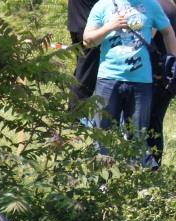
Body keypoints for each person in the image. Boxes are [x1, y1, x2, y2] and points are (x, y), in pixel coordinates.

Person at [83, 0, 176, 164]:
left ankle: (136, 182)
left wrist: (172, 61)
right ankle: (102, 184)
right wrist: (109, 27)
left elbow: (167, 31)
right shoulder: (103, 5)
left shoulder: (151, 5)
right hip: (108, 79)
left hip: (141, 82)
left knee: (138, 135)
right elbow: (87, 41)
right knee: (102, 133)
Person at [146, 0, 176, 165]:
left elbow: (146, 38)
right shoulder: (170, 5)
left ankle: (152, 164)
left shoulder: (154, 7)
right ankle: (154, 163)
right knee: (155, 121)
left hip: (157, 75)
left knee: (149, 122)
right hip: (168, 75)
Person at [69, 0, 102, 106]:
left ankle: (74, 111)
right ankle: (76, 115)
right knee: (86, 74)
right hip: (89, 30)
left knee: (82, 70)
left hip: (78, 24)